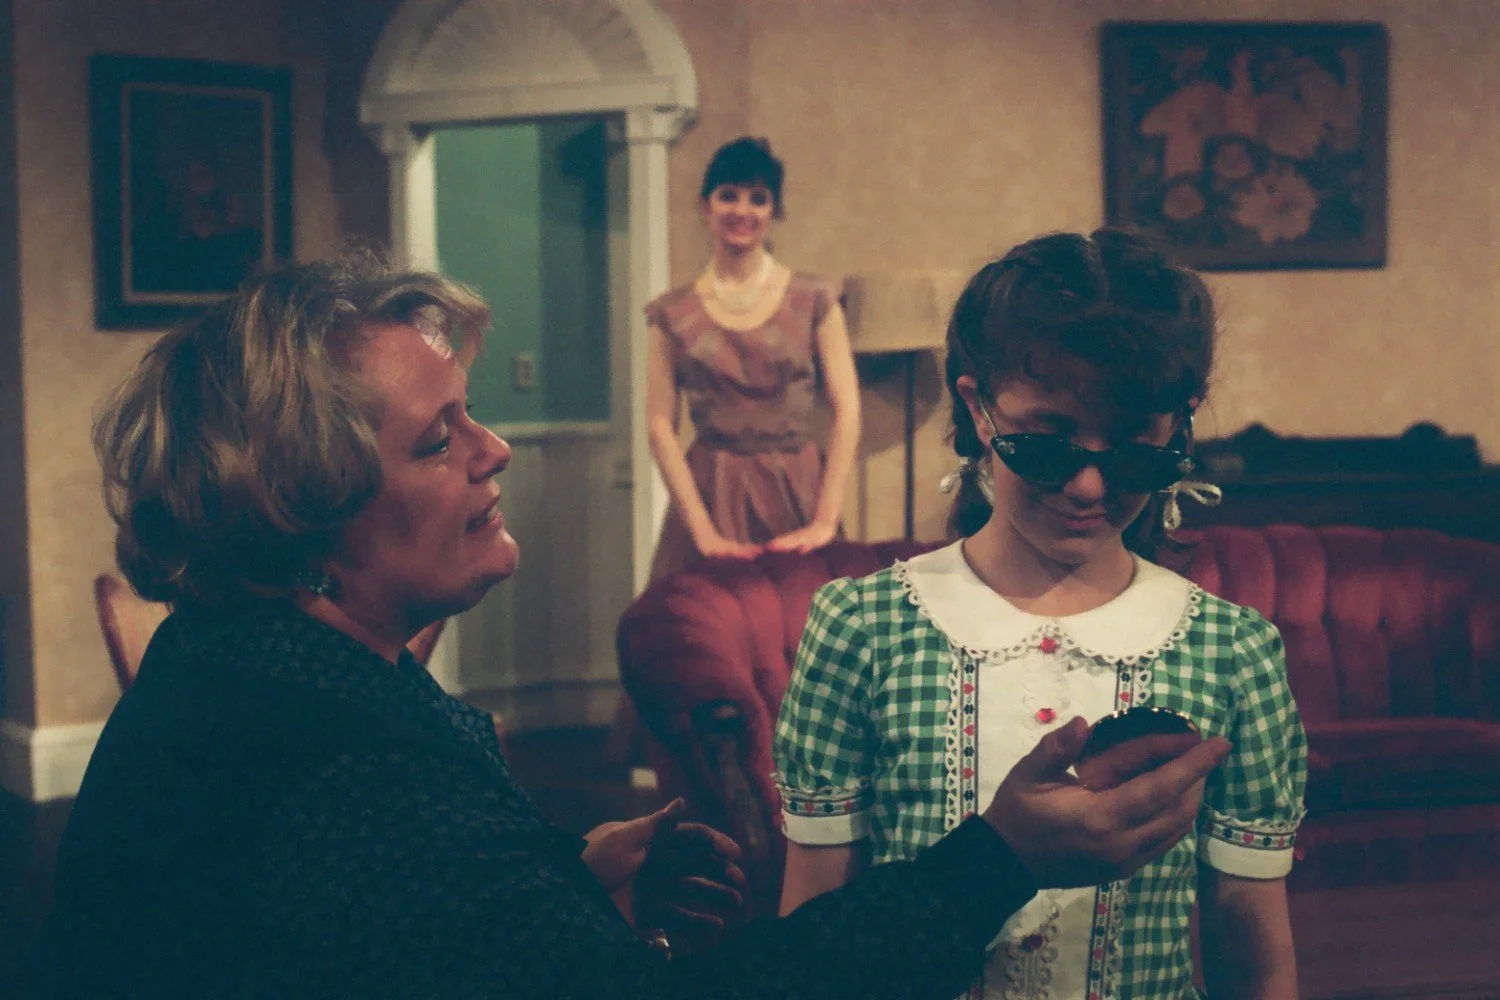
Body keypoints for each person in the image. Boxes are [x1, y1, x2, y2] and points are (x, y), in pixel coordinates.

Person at [33, 254, 1230, 1000]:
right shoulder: (349, 763)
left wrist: (558, 883)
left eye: (474, 414)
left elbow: (382, 940)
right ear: (303, 505)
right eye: (438, 437)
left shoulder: (244, 664)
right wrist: (1005, 858)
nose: (495, 450)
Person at [775, 229, 1308, 1000]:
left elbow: (1252, 945)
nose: (1089, 487)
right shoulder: (861, 628)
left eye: (1131, 453)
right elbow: (815, 925)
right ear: (978, 410)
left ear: (1178, 430)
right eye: (1050, 443)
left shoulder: (1233, 651)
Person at [644, 136, 860, 578]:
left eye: (757, 199)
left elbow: (848, 410)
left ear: (773, 212)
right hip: (711, 491)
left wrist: (823, 520)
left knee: (805, 620)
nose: (742, 210)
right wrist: (702, 533)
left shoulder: (814, 299)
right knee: (703, 627)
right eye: (728, 196)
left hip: (796, 487)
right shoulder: (670, 313)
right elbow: (659, 425)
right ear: (706, 206)